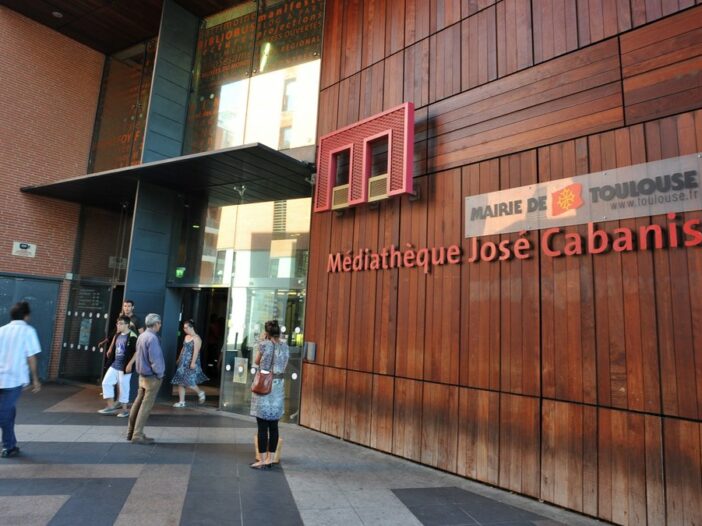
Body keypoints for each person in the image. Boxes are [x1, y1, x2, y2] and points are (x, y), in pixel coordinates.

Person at [0, 301, 42, 458]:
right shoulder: (28, 331)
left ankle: (10, 446)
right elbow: (31, 357)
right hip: (14, 380)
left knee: (7, 411)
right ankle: (9, 445)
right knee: (5, 413)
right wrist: (35, 379)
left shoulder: (1, 330)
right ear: (26, 316)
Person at [249, 320, 289, 469]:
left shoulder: (264, 344)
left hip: (265, 385)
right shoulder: (285, 346)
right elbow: (284, 366)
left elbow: (256, 361)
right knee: (274, 425)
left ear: (266, 332)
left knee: (262, 425)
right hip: (278, 386)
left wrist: (262, 341)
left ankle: (261, 459)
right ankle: (270, 459)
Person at [127, 313, 165, 444]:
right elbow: (155, 359)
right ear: (156, 324)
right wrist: (160, 374)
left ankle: (131, 432)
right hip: (151, 377)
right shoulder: (153, 338)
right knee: (145, 406)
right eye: (159, 323)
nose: (160, 325)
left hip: (142, 376)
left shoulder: (142, 336)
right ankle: (137, 435)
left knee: (137, 403)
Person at [97, 316, 137, 417]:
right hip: (115, 364)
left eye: (121, 323)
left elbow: (137, 352)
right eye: (117, 323)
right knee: (106, 382)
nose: (118, 325)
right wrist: (110, 349)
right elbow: (114, 344)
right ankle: (110, 406)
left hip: (125, 366)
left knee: (124, 388)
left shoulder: (132, 336)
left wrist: (130, 364)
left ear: (127, 325)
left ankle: (125, 410)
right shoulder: (118, 334)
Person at [171, 319, 208, 407]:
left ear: (192, 327)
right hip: (183, 362)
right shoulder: (186, 337)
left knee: (188, 381)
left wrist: (192, 363)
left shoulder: (197, 338)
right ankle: (181, 402)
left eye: (186, 328)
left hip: (190, 362)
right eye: (184, 328)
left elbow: (196, 352)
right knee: (180, 381)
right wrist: (179, 359)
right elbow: (183, 348)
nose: (184, 329)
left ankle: (200, 392)